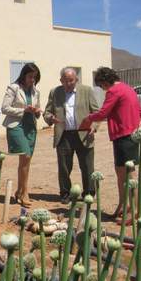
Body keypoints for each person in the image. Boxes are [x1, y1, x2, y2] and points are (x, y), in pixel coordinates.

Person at [80, 67, 141, 223]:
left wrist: (88, 118)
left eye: (101, 85)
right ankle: (123, 206)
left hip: (124, 135)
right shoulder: (128, 88)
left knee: (128, 175)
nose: (102, 88)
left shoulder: (114, 91)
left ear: (105, 81)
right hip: (131, 134)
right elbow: (140, 111)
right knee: (121, 173)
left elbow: (103, 113)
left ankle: (134, 212)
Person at [43, 67, 100, 204]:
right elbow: (47, 112)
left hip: (84, 133)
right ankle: (65, 193)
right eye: (65, 81)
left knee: (87, 166)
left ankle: (89, 193)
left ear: (76, 80)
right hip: (64, 135)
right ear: (61, 80)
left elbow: (97, 112)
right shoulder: (55, 92)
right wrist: (50, 118)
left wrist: (94, 126)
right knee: (64, 166)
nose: (68, 83)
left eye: (71, 80)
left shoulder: (86, 91)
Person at [1, 63, 41, 208]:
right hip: (17, 126)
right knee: (25, 156)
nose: (32, 80)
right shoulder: (13, 88)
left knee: (27, 161)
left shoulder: (36, 91)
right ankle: (25, 193)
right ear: (23, 75)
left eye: (35, 77)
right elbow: (4, 108)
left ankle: (20, 190)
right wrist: (23, 110)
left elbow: (37, 111)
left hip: (31, 127)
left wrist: (37, 112)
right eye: (30, 77)